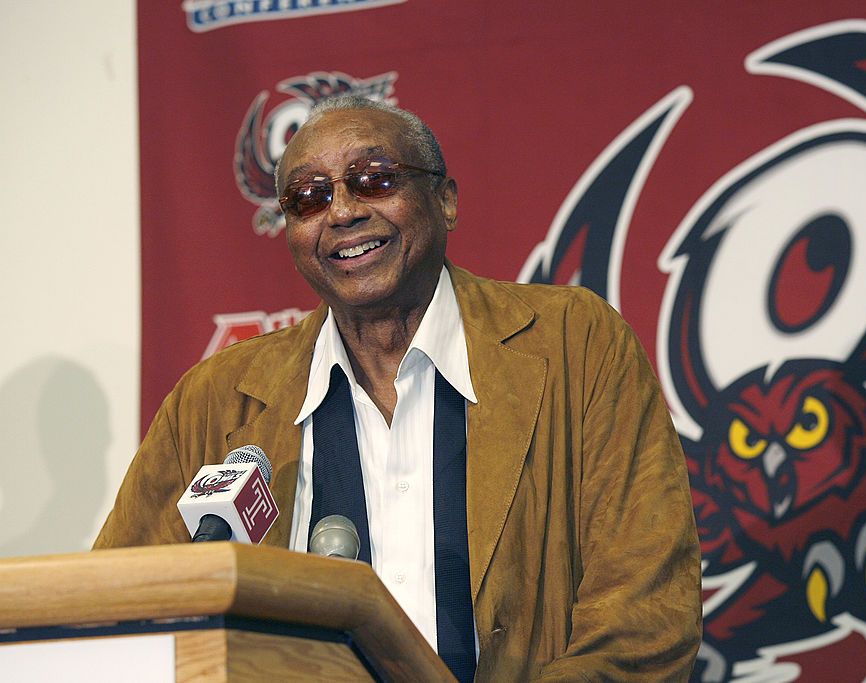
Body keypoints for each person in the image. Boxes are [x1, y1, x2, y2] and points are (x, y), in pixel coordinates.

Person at [94, 96, 702, 680]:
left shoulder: (575, 343)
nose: (341, 212)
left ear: (446, 200)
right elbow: (118, 621)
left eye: (374, 180)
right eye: (308, 197)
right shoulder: (216, 399)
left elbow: (644, 620)